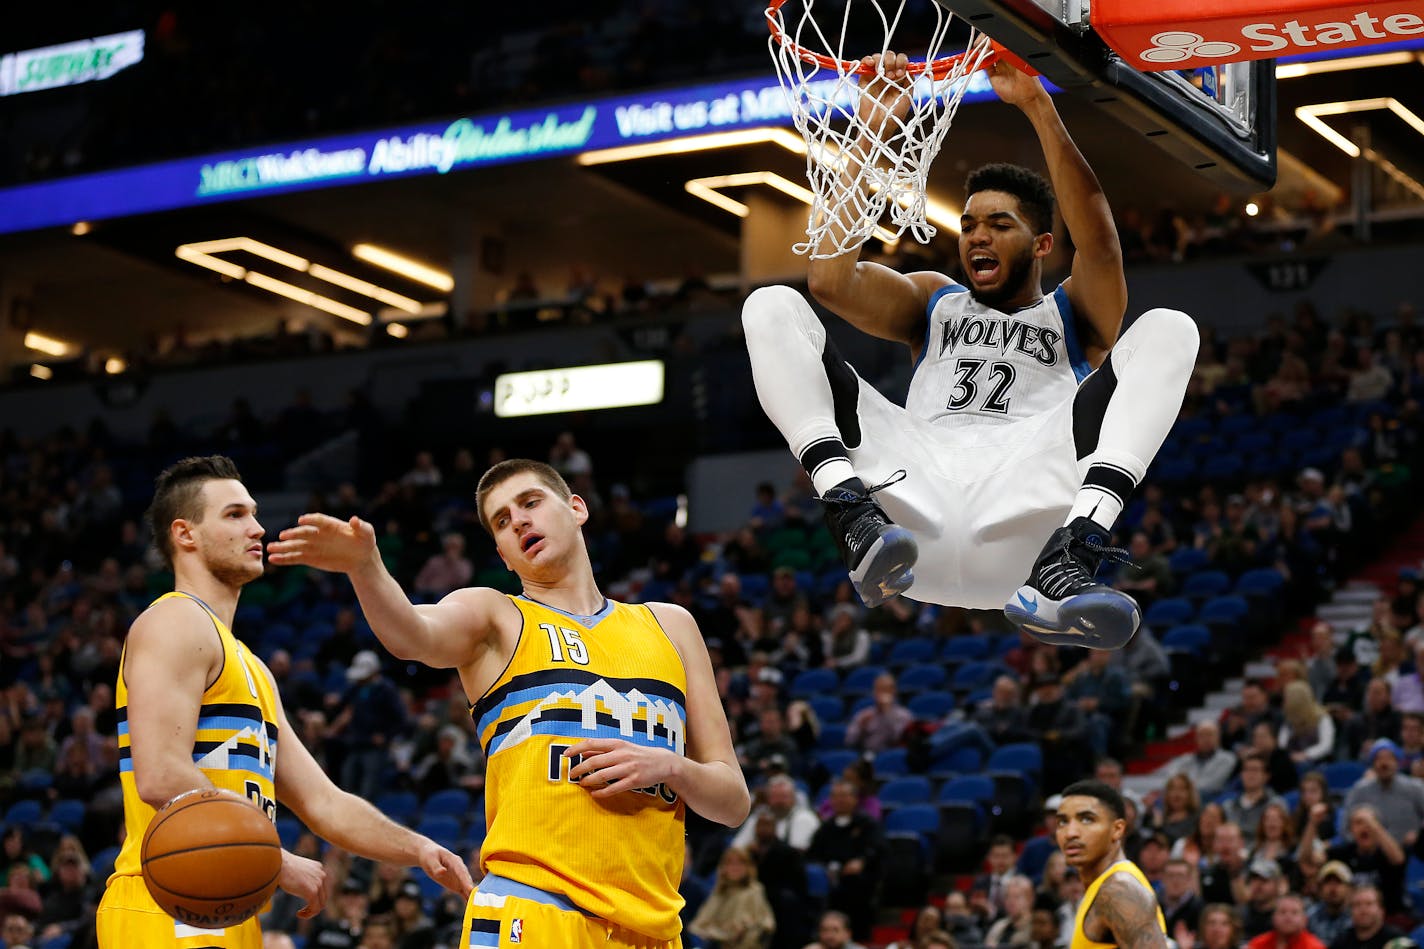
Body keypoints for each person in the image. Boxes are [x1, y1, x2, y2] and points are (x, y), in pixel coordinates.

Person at [741, 54, 1197, 650]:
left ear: (1041, 245)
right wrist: (875, 127)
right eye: (970, 223)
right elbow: (830, 279)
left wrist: (1038, 105)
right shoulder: (932, 300)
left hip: (1023, 512)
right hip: (913, 503)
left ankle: (1074, 554)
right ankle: (848, 510)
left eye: (999, 224)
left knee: (1170, 327)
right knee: (772, 304)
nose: (977, 235)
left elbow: (1102, 245)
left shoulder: (1074, 312)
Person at [268, 458, 750, 948]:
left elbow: (733, 801)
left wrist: (673, 767)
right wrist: (364, 566)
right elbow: (412, 634)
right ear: (502, 553)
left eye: (530, 503)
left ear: (576, 508)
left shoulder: (671, 626)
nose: (518, 520)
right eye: (501, 520)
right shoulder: (494, 616)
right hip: (533, 909)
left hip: (652, 930)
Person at [96, 456, 473, 949]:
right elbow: (160, 774)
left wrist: (418, 848)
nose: (257, 527)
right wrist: (272, 856)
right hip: (162, 905)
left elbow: (324, 803)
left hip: (227, 905)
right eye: (235, 515)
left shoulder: (251, 668)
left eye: (254, 513)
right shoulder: (174, 622)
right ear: (185, 534)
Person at [1054, 779, 1168, 949]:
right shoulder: (1104, 887)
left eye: (1086, 820)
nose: (1070, 833)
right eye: (1063, 821)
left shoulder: (1119, 890)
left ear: (1117, 829)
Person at [687, 846, 777, 949]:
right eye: (730, 863)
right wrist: (711, 933)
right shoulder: (719, 893)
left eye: (740, 863)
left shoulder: (753, 892)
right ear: (723, 867)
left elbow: (766, 925)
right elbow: (697, 925)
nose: (735, 867)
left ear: (748, 867)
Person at [1245, 894, 1323, 949]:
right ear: (1273, 918)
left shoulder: (1315, 947)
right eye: (1282, 912)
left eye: (1294, 912)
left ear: (1304, 920)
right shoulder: (1257, 944)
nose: (1288, 917)